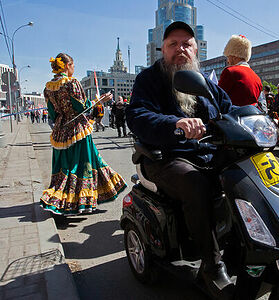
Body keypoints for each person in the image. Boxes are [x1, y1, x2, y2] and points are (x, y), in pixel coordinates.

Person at [125, 21, 235, 297]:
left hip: (207, 154)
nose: (180, 49)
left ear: (196, 49)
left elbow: (229, 108)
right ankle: (211, 264)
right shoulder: (149, 79)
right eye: (173, 44)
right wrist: (177, 124)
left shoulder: (205, 81)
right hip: (165, 157)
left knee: (244, 175)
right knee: (196, 183)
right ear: (162, 49)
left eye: (186, 43)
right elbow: (138, 116)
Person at [40, 53, 127, 215]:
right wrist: (99, 101)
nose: (74, 68)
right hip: (77, 131)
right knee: (85, 163)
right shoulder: (72, 83)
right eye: (73, 65)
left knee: (64, 165)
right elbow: (82, 107)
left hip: (60, 132)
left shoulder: (48, 88)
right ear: (67, 66)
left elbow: (52, 113)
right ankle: (81, 200)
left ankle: (63, 198)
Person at [218, 34, 262, 107]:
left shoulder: (230, 71)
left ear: (234, 56)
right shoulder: (257, 78)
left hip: (234, 115)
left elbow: (218, 97)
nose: (228, 61)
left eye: (228, 57)